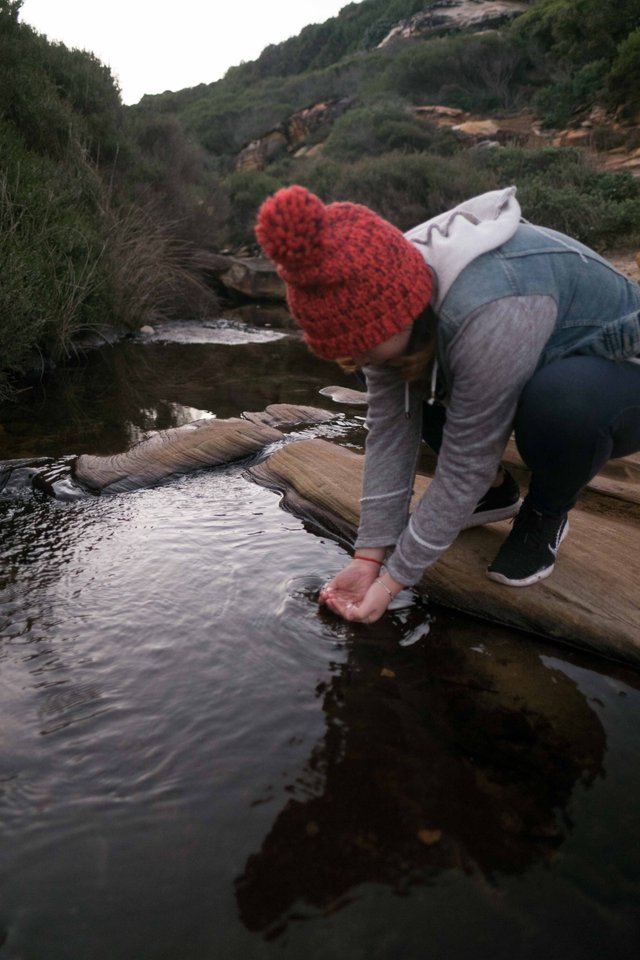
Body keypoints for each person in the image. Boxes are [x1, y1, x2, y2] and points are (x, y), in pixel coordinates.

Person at [255, 185, 640, 624]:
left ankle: (546, 514)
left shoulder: (489, 309)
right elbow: (390, 432)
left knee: (559, 405)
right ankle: (496, 493)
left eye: (361, 343)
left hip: (620, 372)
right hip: (527, 350)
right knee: (386, 368)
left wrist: (394, 580)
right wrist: (368, 557)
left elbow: (466, 462)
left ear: (403, 313)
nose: (355, 358)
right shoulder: (392, 279)